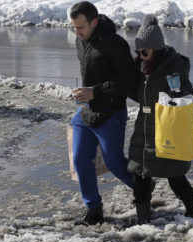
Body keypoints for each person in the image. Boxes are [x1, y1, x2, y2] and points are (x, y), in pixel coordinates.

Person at [127, 15, 193, 225]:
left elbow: (188, 98)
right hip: (144, 129)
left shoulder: (172, 70)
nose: (141, 56)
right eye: (138, 52)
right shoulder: (142, 69)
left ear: (157, 50)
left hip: (167, 130)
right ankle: (143, 220)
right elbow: (138, 93)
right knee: (140, 174)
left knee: (175, 175)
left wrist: (172, 97)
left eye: (144, 52)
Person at [68, 1, 135, 225]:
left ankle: (143, 188)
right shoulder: (81, 40)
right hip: (87, 110)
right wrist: (85, 93)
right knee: (79, 159)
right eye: (74, 28)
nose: (77, 33)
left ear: (94, 22)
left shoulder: (116, 44)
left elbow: (127, 82)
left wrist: (95, 92)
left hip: (111, 111)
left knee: (114, 163)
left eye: (81, 27)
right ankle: (94, 210)